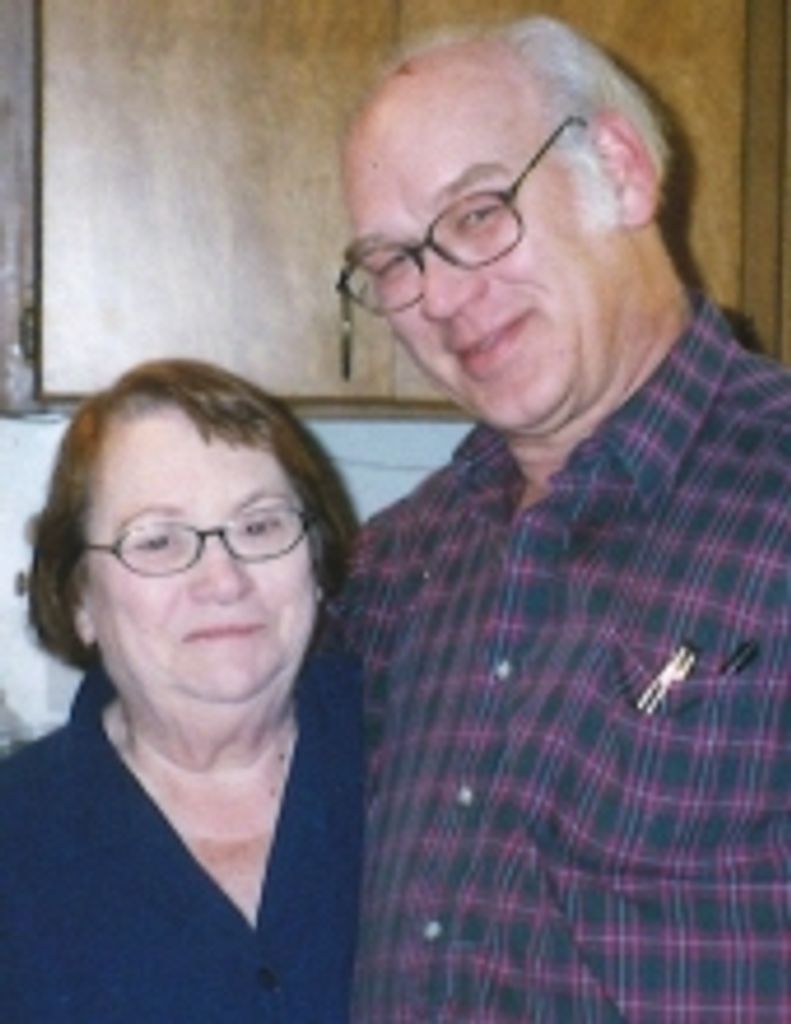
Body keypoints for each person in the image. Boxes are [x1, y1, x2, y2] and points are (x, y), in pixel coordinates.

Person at [334, 15, 791, 1023]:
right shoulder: (397, 564)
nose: (439, 295)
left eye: (476, 213)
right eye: (394, 261)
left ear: (619, 172)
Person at [0, 358, 363, 1023]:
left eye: (259, 526)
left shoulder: (422, 767)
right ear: (80, 599)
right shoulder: (16, 836)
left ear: (315, 561)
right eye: (158, 541)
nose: (223, 580)